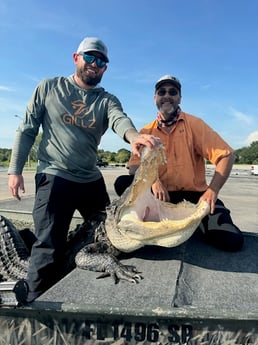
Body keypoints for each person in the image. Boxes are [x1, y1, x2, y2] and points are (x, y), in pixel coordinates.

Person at [8, 37, 159, 303]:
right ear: (75, 58)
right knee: (49, 245)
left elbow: (119, 120)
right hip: (55, 175)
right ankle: (35, 304)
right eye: (89, 57)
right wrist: (15, 170)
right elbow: (27, 129)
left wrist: (134, 136)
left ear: (104, 69)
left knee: (108, 235)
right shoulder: (49, 87)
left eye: (101, 61)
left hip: (90, 179)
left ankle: (94, 295)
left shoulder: (105, 99)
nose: (95, 64)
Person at [114, 74, 244, 252]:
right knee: (122, 182)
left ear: (179, 97)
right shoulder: (146, 130)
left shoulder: (195, 124)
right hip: (159, 196)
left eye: (173, 92)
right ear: (155, 98)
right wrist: (154, 182)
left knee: (231, 241)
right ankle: (162, 218)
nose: (167, 95)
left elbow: (226, 156)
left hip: (193, 197)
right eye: (162, 92)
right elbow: (135, 166)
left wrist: (212, 190)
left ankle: (194, 222)